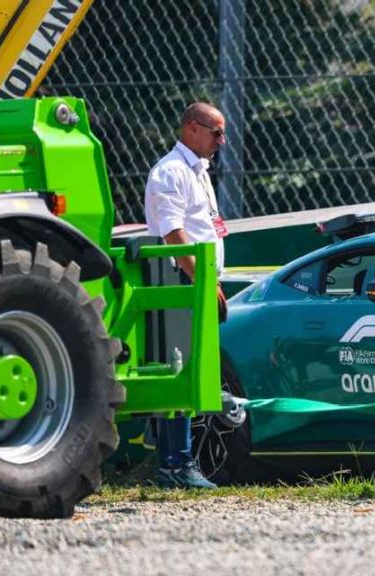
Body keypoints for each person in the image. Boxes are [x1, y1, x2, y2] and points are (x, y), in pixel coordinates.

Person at [142, 102, 230, 489]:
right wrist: (204, 283)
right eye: (216, 133)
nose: (221, 141)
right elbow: (175, 236)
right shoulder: (171, 172)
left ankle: (178, 462)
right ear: (192, 129)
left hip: (197, 280)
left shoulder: (197, 171)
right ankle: (175, 466)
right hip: (180, 281)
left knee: (191, 375)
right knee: (180, 372)